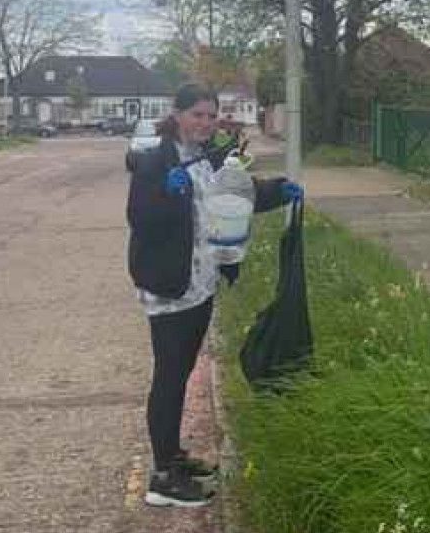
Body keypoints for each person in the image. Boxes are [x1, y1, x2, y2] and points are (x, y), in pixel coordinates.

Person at [127, 82, 301, 508]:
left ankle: (174, 457)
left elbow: (233, 198)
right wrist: (168, 192)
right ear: (178, 113)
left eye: (211, 115)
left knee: (182, 372)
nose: (205, 123)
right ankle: (163, 478)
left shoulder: (210, 158)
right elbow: (142, 219)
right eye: (197, 115)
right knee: (169, 376)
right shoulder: (155, 160)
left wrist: (279, 191)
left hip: (200, 283)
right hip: (170, 288)